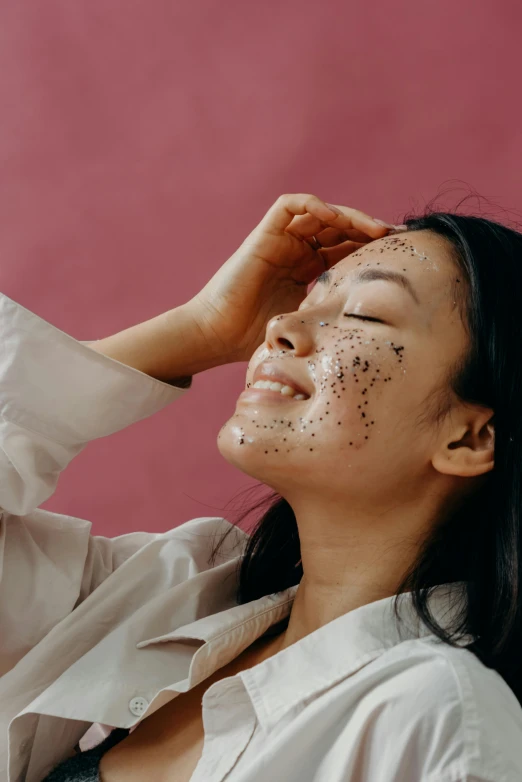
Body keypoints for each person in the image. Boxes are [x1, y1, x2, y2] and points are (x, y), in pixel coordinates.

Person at [0, 193, 521, 782]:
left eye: (366, 315)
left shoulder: (434, 714)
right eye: (309, 299)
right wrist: (200, 328)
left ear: (471, 439)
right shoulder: (171, 597)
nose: (280, 323)